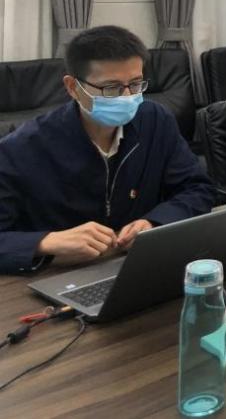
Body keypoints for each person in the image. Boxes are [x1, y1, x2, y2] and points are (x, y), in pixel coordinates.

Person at [0, 26, 214, 275]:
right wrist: (45, 242)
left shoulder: (155, 120)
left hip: (137, 264)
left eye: (135, 84)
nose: (127, 97)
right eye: (111, 88)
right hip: (58, 275)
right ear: (73, 87)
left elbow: (197, 188)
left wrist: (155, 221)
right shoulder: (23, 148)